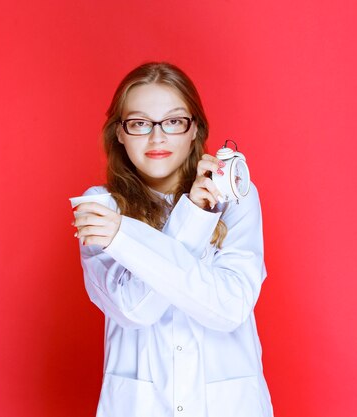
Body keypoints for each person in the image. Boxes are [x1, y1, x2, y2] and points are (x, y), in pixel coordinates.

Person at [72, 62, 273, 417]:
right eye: (139, 123)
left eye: (174, 121)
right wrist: (193, 216)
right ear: (119, 133)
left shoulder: (233, 194)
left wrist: (124, 236)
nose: (157, 137)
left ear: (194, 129)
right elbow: (134, 309)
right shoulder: (100, 206)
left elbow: (229, 309)